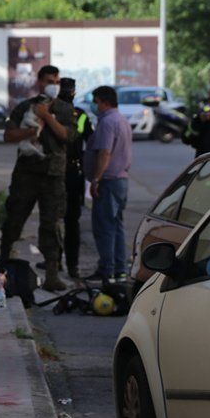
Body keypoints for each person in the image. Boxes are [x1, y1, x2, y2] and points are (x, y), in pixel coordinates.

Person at [0, 65, 75, 291]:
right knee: (14, 219)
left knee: (51, 225)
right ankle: (3, 266)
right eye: (49, 80)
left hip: (53, 176)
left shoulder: (64, 108)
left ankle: (52, 273)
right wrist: (32, 131)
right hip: (26, 174)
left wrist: (46, 117)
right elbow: (9, 135)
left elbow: (67, 136)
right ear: (39, 82)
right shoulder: (24, 107)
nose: (53, 84)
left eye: (56, 81)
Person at [83, 86, 132, 283]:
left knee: (104, 227)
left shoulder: (107, 122)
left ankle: (107, 269)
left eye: (95, 102)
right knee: (116, 226)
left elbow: (104, 153)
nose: (94, 106)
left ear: (104, 102)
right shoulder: (121, 120)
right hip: (120, 180)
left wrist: (95, 179)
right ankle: (119, 268)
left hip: (109, 181)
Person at [59, 77, 92, 278]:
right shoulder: (77, 114)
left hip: (69, 172)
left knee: (67, 221)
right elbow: (90, 140)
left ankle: (69, 265)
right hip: (66, 172)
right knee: (66, 221)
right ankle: (63, 265)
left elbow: (89, 140)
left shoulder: (76, 114)